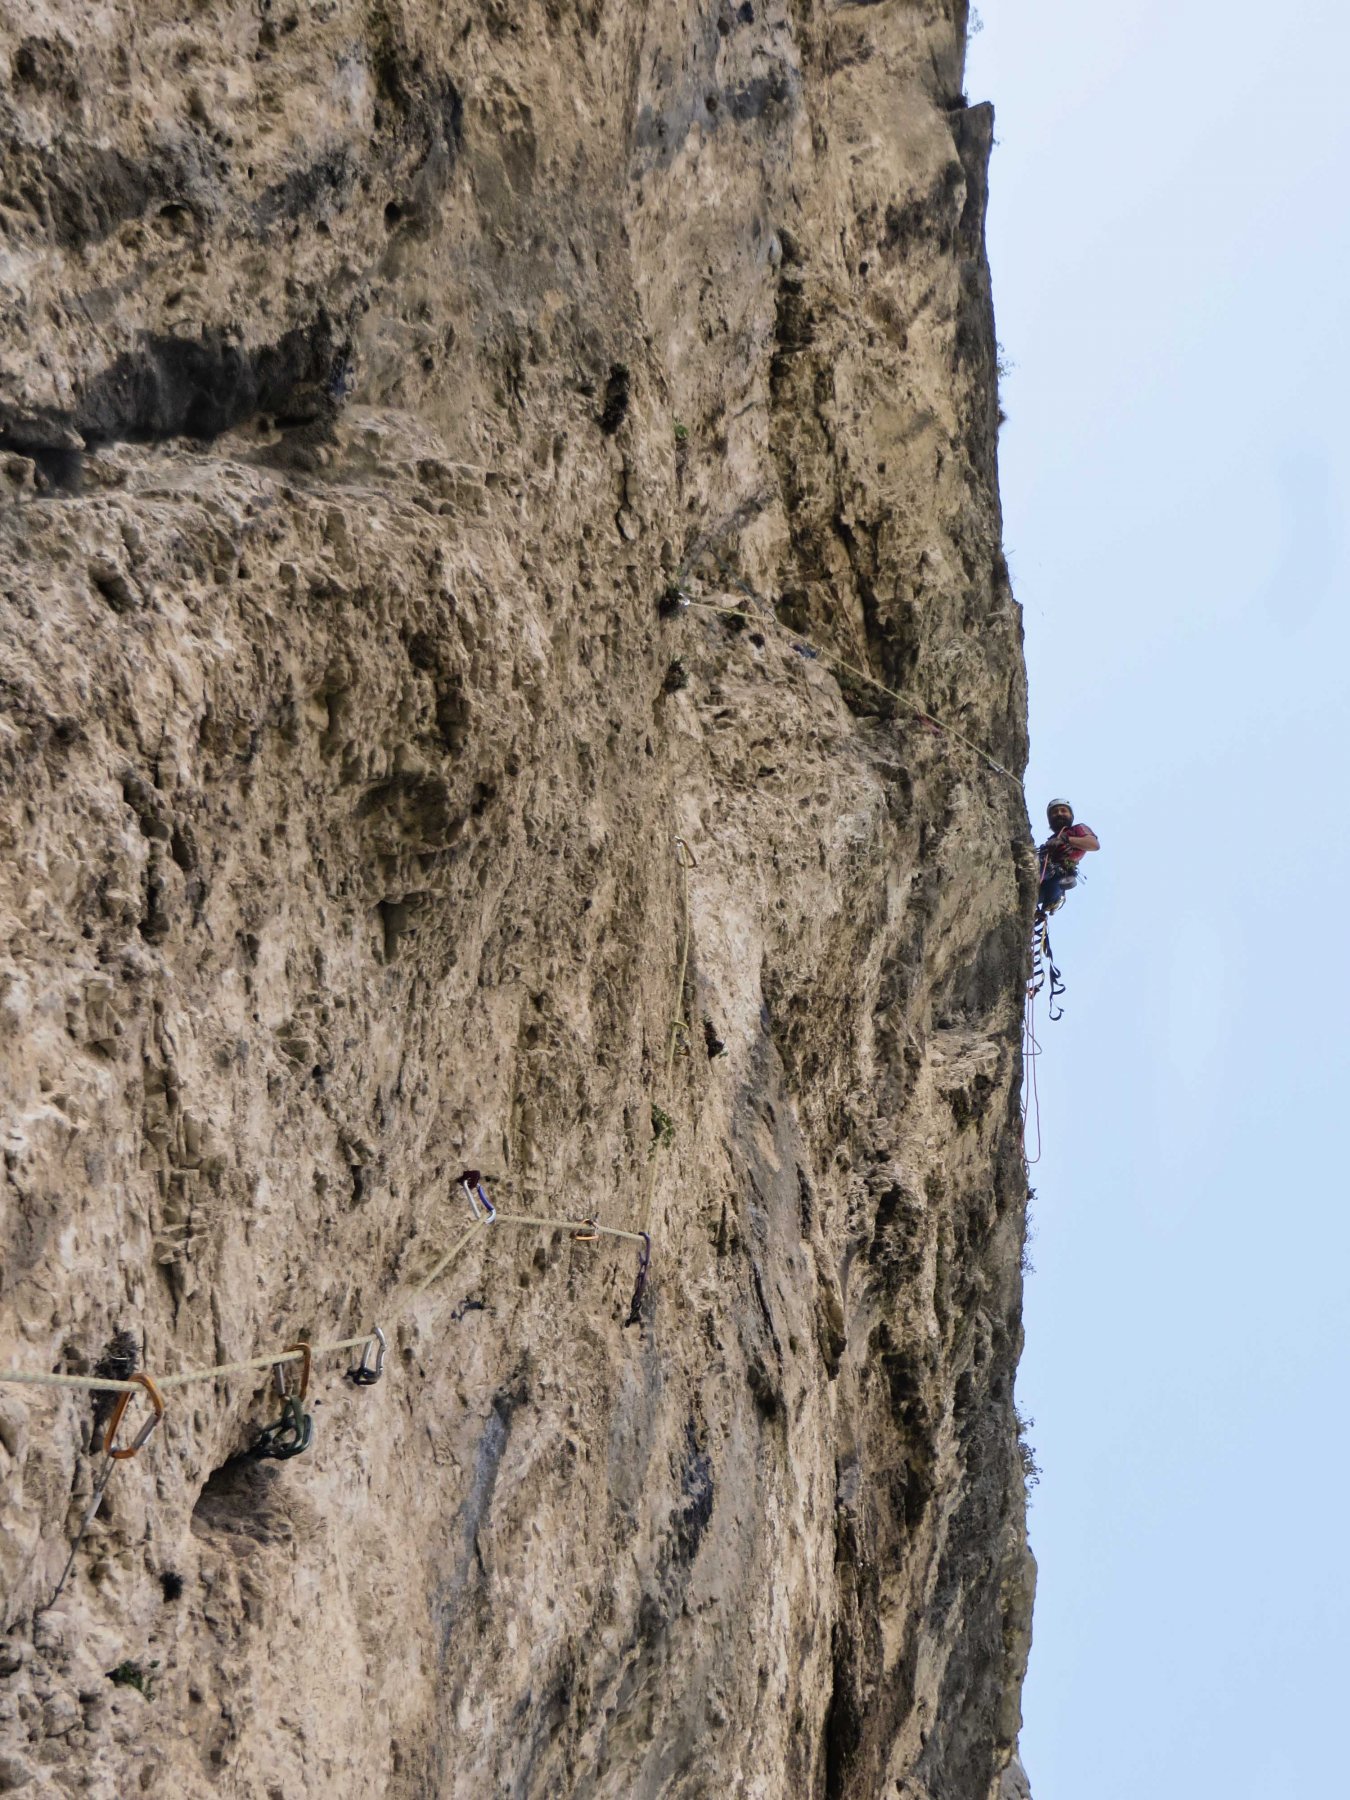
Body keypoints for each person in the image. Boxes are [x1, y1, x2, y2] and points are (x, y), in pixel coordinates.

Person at [1036, 799, 1099, 917]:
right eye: (1054, 812)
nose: (1059, 813)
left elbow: (1093, 845)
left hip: (1057, 876)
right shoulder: (1051, 839)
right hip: (1046, 874)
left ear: (1071, 816)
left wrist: (1066, 840)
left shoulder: (1077, 829)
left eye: (1063, 811)